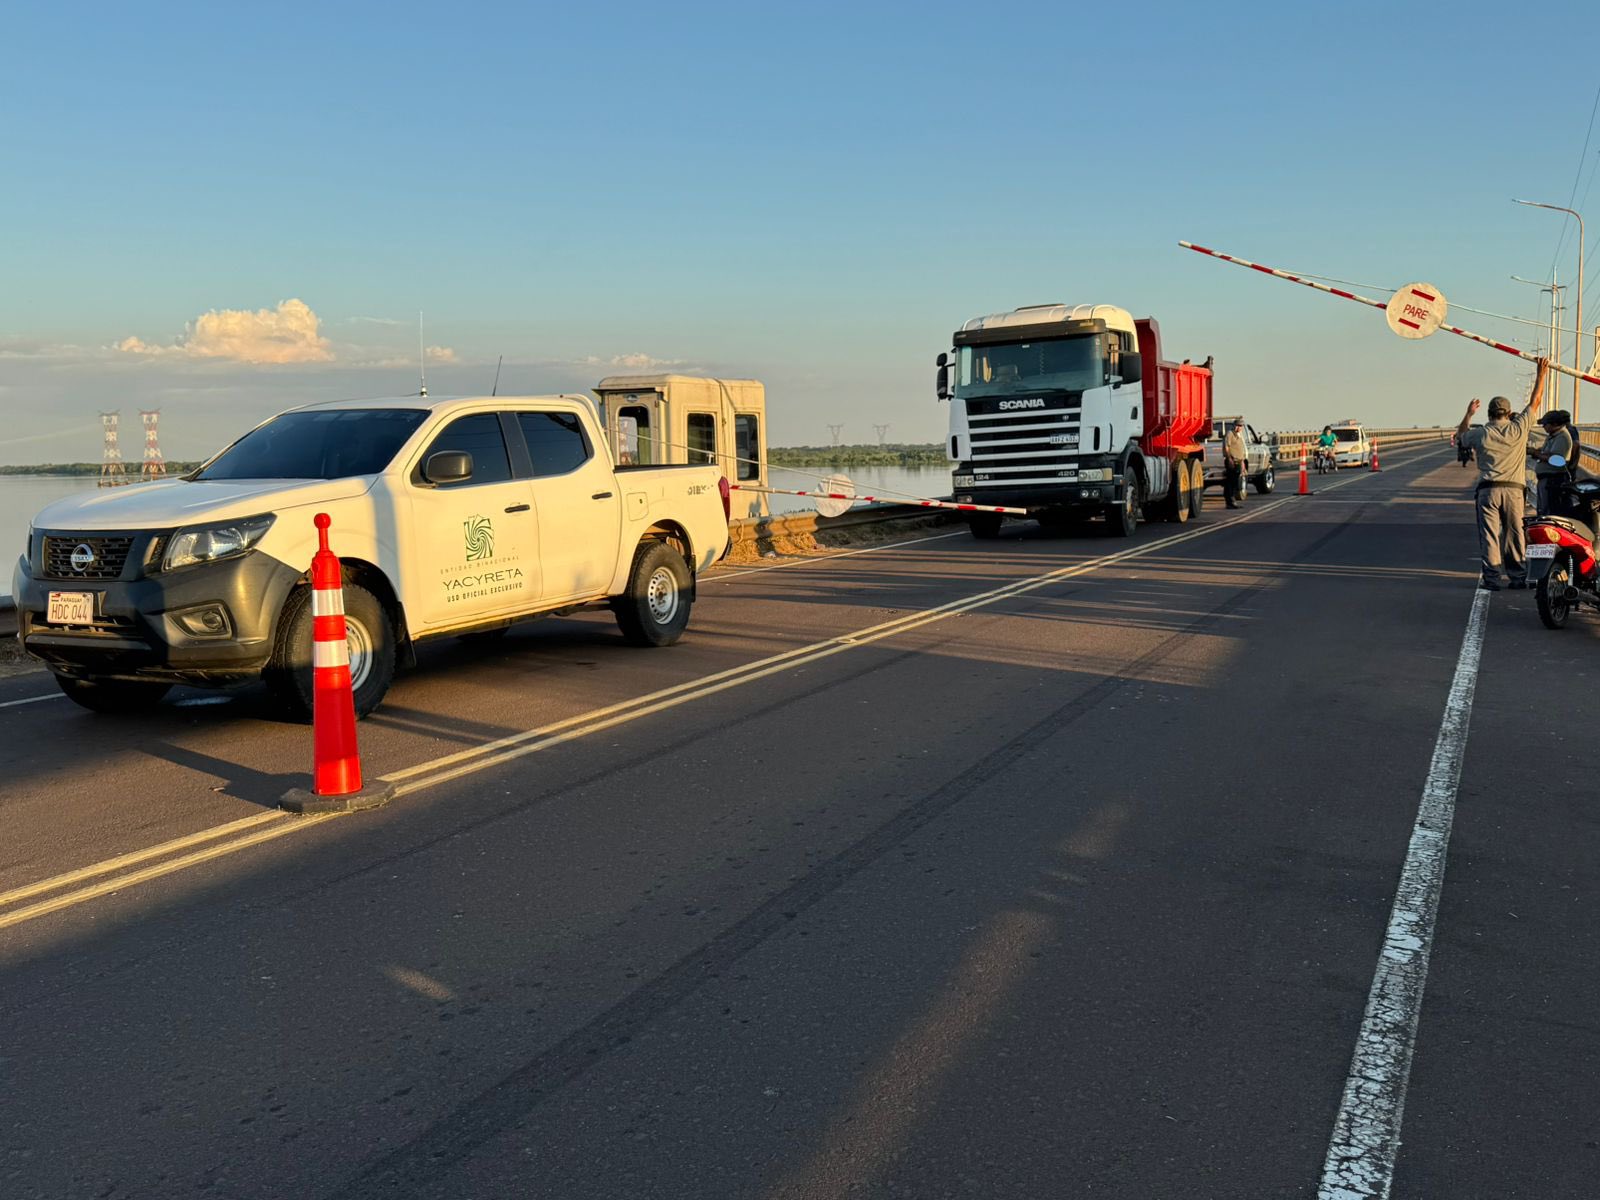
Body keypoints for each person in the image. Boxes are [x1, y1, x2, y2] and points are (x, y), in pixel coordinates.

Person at [1456, 358, 1549, 590]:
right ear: (1508, 413)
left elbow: (1461, 435)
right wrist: (1541, 374)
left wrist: (1468, 414)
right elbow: (1536, 401)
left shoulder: (1482, 433)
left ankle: (1492, 579)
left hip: (1488, 490)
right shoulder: (1518, 428)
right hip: (1514, 491)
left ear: (1489, 414)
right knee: (1514, 534)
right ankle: (1517, 578)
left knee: (1489, 535)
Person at [1533, 408, 1574, 516]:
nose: (1543, 427)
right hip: (1546, 480)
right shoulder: (1552, 436)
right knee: (1543, 510)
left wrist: (1537, 454)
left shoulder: (1562, 437)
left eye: (1545, 424)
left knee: (1550, 512)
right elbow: (1547, 453)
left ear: (1554, 424)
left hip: (1553, 481)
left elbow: (1558, 460)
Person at [1223, 419, 1247, 508]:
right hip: (1232, 461)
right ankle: (1230, 502)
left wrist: (1243, 462)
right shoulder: (1230, 434)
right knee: (1230, 482)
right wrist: (1229, 459)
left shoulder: (1239, 436)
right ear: (1234, 426)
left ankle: (1232, 501)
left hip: (1239, 461)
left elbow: (1241, 449)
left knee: (1235, 482)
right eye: (1238, 426)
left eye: (1241, 426)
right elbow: (1226, 447)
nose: (1239, 427)